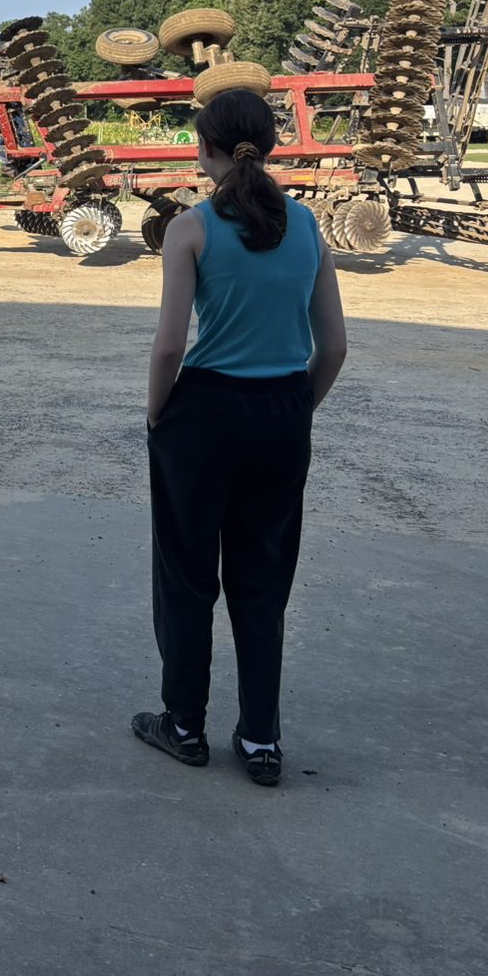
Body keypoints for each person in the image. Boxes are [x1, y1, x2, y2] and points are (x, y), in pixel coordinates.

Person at [136, 88, 348, 786]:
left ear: (205, 151)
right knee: (263, 583)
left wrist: (157, 415)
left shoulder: (191, 229)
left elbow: (171, 346)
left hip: (204, 416)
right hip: (283, 412)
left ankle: (185, 724)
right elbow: (335, 347)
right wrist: (297, 410)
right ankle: (261, 740)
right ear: (271, 145)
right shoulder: (308, 226)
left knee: (187, 576)